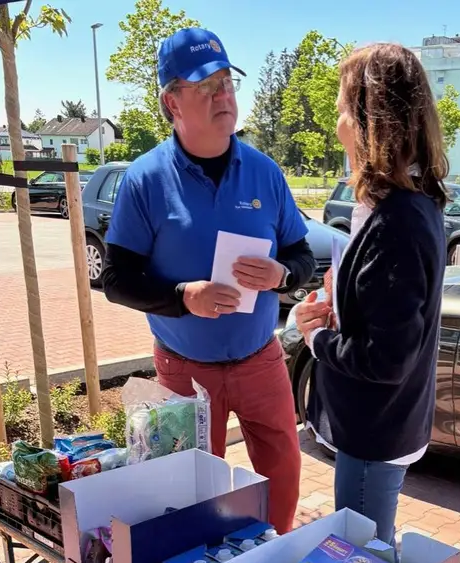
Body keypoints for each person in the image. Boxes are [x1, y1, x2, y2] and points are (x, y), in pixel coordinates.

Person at [101, 27, 315, 534]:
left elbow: (301, 253)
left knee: (282, 479)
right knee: (190, 498)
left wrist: (283, 273)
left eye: (227, 83)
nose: (224, 97)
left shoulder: (265, 173)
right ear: (171, 102)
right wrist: (181, 297)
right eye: (206, 87)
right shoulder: (145, 180)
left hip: (261, 360)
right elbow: (116, 279)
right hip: (183, 370)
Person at [292, 43, 448, 544]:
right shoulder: (408, 205)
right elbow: (393, 324)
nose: (336, 123)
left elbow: (387, 359)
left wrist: (315, 339)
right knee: (370, 551)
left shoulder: (396, 221)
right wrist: (343, 311)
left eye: (341, 109)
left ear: (368, 121)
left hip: (375, 431)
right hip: (386, 426)